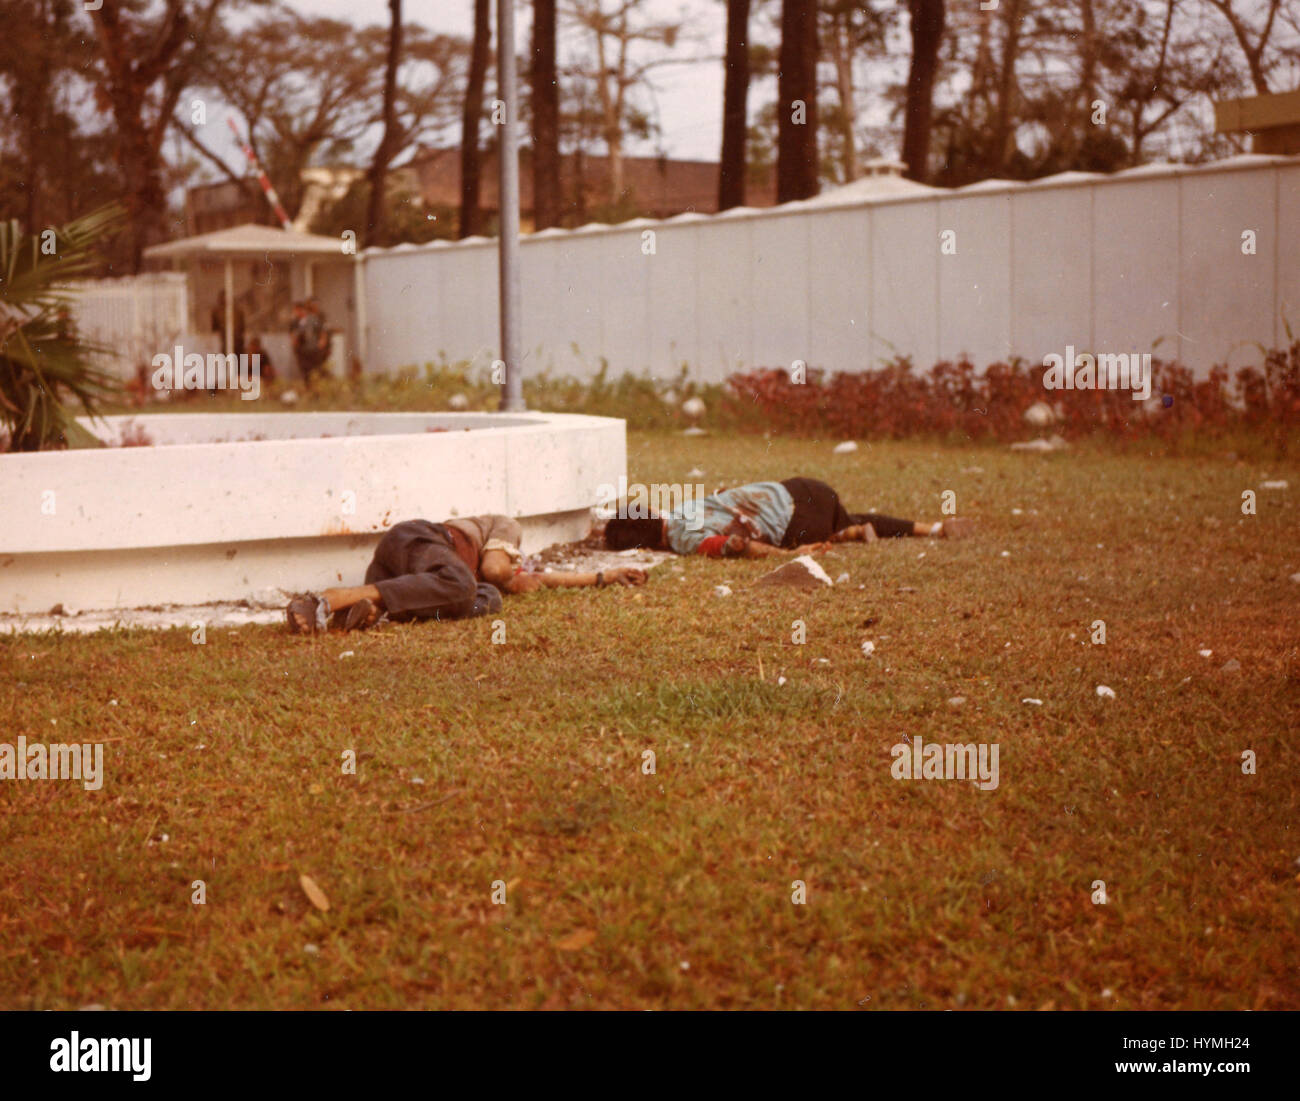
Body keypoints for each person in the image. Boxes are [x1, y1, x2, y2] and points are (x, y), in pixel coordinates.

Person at [287, 514, 646, 634]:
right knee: (467, 587)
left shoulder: (501, 566)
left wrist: (606, 577)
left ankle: (371, 609)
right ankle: (328, 599)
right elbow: (495, 568)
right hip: (417, 540)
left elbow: (545, 578)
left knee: (486, 599)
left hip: (402, 575)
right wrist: (508, 578)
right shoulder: (504, 526)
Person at [602, 477, 974, 558]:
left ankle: (848, 533)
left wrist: (788, 556)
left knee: (835, 525)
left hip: (799, 524)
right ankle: (936, 528)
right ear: (651, 512)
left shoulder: (682, 540)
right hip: (806, 489)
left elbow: (735, 545)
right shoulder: (683, 507)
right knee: (846, 517)